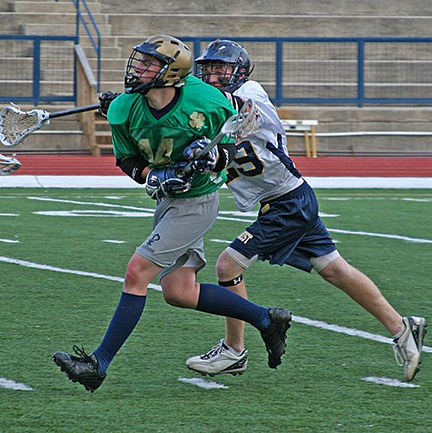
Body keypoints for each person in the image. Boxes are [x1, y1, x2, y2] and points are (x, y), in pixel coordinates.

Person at [52, 35, 292, 392]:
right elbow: (127, 161)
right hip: (167, 202)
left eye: (149, 64)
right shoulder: (125, 107)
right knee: (178, 291)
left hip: (197, 202)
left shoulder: (207, 99)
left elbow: (234, 139)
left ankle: (97, 364)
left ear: (171, 73)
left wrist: (214, 158)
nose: (138, 69)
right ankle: (266, 320)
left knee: (137, 271)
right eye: (139, 61)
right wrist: (155, 175)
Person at [184, 39, 427, 381]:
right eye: (207, 70)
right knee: (335, 270)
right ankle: (402, 328)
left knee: (228, 265)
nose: (212, 76)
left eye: (220, 69)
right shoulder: (209, 109)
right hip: (288, 199)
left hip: (287, 202)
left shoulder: (249, 93)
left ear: (239, 71)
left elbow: (242, 112)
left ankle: (234, 350)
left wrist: (188, 97)